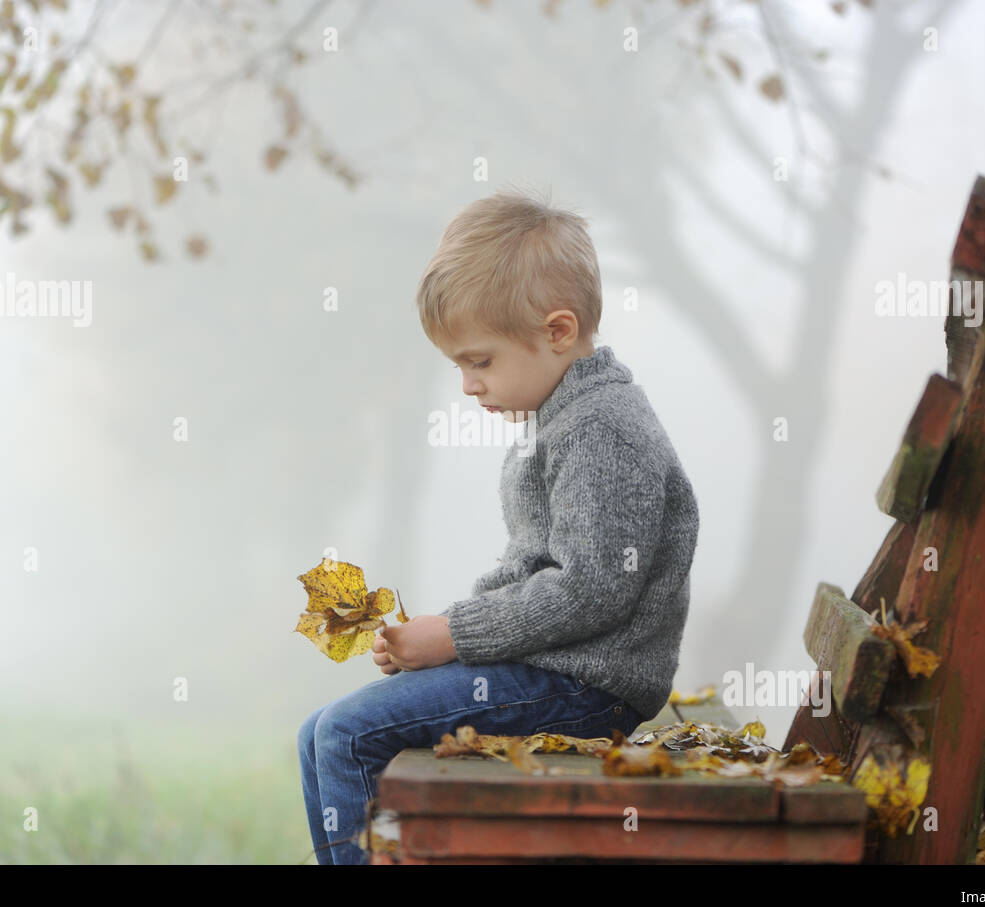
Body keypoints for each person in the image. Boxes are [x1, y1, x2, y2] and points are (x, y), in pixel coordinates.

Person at [297, 185, 700, 864]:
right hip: (548, 671)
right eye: (459, 365)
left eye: (479, 361)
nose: (467, 384)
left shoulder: (603, 429)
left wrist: (453, 635)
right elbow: (529, 568)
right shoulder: (556, 419)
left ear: (558, 332)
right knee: (319, 730)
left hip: (588, 687)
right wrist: (439, 631)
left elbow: (590, 590)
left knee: (346, 732)